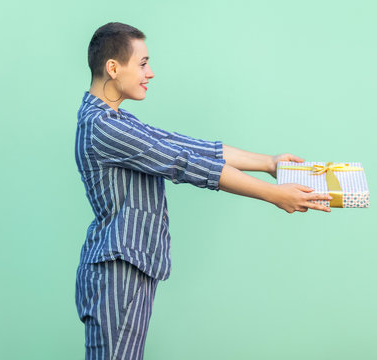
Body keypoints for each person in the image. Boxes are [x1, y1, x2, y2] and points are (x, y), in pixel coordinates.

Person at [74, 22, 332, 360]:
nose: (150, 73)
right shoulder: (104, 127)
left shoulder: (119, 121)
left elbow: (190, 147)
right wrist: (274, 194)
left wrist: (269, 163)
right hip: (118, 271)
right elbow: (186, 164)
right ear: (112, 67)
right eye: (142, 63)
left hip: (128, 265)